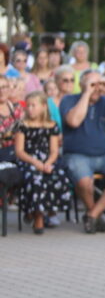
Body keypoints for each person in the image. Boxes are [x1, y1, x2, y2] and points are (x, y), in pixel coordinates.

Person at [60, 70, 105, 233]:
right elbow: (74, 121)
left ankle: (92, 214)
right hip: (77, 155)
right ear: (81, 84)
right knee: (84, 181)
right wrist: (87, 94)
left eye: (99, 84)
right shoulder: (69, 100)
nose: (97, 88)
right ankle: (96, 216)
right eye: (92, 84)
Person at [13, 92, 74, 233]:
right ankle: (38, 216)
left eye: (33, 105)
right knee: (35, 178)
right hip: (28, 160)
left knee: (59, 175)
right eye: (28, 106)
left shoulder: (51, 125)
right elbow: (19, 151)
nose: (30, 109)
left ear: (43, 106)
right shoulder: (22, 125)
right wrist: (36, 163)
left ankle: (50, 211)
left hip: (47, 160)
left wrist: (47, 163)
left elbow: (54, 151)